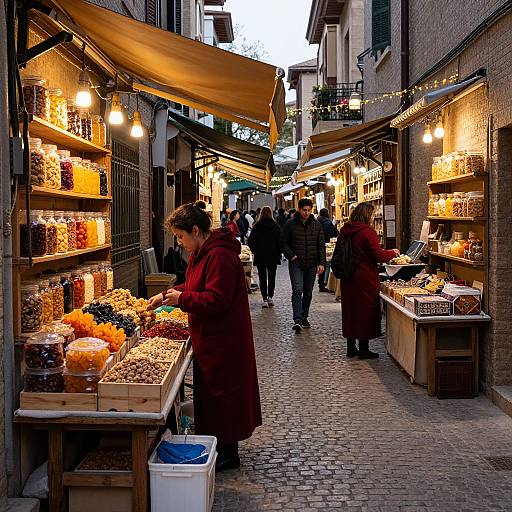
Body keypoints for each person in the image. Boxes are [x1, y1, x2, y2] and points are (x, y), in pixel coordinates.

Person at [148, 203, 261, 471]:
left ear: (196, 231)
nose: (179, 242)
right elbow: (195, 284)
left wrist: (182, 299)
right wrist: (167, 295)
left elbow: (217, 298)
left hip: (224, 339)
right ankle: (219, 445)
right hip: (209, 337)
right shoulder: (203, 252)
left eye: (180, 236)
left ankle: (228, 452)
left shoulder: (220, 255)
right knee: (212, 396)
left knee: (223, 396)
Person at [338, 202, 399, 359]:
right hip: (364, 278)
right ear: (367, 215)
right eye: (372, 215)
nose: (373, 218)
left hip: (348, 277)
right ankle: (364, 348)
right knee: (366, 311)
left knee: (351, 311)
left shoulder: (345, 230)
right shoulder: (367, 232)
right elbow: (379, 255)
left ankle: (351, 347)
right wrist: (393, 252)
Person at [282, 198, 326, 332]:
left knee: (308, 292)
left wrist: (321, 263)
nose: (306, 213)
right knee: (297, 290)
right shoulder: (290, 224)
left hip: (312, 263)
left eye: (308, 210)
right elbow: (283, 243)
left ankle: (304, 316)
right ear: (299, 210)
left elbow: (321, 245)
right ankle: (297, 319)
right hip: (296, 263)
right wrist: (292, 256)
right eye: (304, 210)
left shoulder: (316, 225)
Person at [247, 206, 282, 308]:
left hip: (260, 255)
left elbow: (250, 241)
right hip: (273, 255)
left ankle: (264, 299)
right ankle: (270, 297)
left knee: (262, 277)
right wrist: (278, 252)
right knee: (272, 277)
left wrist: (255, 251)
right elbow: (280, 241)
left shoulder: (257, 226)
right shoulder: (275, 226)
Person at [317, 208, 339, 292]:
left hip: (318, 246)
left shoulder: (316, 221)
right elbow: (335, 233)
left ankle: (321, 282)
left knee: (321, 263)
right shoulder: (328, 223)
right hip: (326, 245)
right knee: (326, 265)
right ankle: (324, 283)